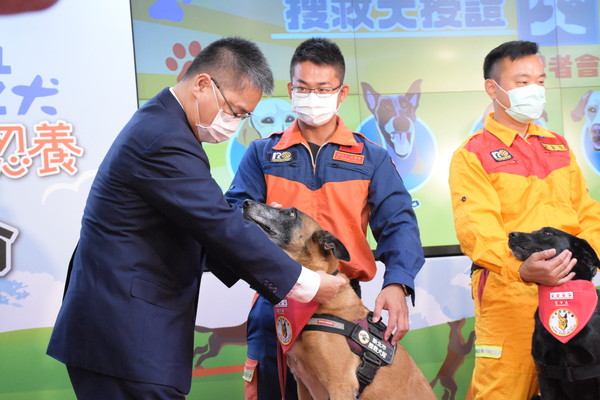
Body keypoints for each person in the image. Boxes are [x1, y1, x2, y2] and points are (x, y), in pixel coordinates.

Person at [46, 37, 345, 400]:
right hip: (125, 337)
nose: (234, 124)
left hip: (124, 334)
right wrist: (306, 283)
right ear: (203, 84)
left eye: (243, 117)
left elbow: (206, 230)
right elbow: (219, 225)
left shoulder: (166, 126)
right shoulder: (163, 139)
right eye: (235, 111)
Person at [225, 38, 425, 399]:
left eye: (322, 89)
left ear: (341, 92)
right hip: (276, 303)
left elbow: (399, 225)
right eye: (303, 88)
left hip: (341, 305)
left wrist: (398, 283)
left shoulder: (371, 158)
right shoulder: (262, 153)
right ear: (290, 89)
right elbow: (232, 220)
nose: (311, 97)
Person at [449, 40, 600, 399]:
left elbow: (587, 213)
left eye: (540, 81)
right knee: (504, 391)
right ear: (493, 88)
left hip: (572, 296)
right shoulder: (473, 154)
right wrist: (521, 269)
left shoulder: (558, 146)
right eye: (522, 82)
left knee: (579, 387)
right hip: (510, 298)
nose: (535, 90)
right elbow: (478, 232)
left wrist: (585, 262)